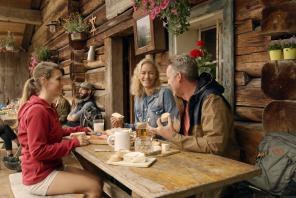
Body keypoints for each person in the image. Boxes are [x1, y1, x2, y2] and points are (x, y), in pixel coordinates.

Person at [18, 62, 102, 197]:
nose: (62, 84)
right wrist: (74, 142)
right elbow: (38, 152)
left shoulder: (47, 107)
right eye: (58, 79)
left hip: (51, 168)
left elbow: (55, 131)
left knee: (97, 180)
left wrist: (80, 129)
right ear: (44, 81)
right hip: (39, 175)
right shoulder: (37, 111)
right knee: (94, 187)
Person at [149, 54, 238, 157]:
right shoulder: (183, 101)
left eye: (169, 78)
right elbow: (189, 138)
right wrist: (172, 131)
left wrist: (173, 136)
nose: (168, 82)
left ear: (179, 77)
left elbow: (215, 146)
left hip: (222, 169)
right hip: (196, 163)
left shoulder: (212, 101)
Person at [111, 57, 179, 129]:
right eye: (143, 73)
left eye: (151, 73)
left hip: (160, 140)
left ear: (156, 75)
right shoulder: (138, 97)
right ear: (138, 75)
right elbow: (139, 127)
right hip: (143, 139)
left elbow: (175, 124)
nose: (147, 77)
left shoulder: (165, 93)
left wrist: (155, 131)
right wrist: (122, 125)